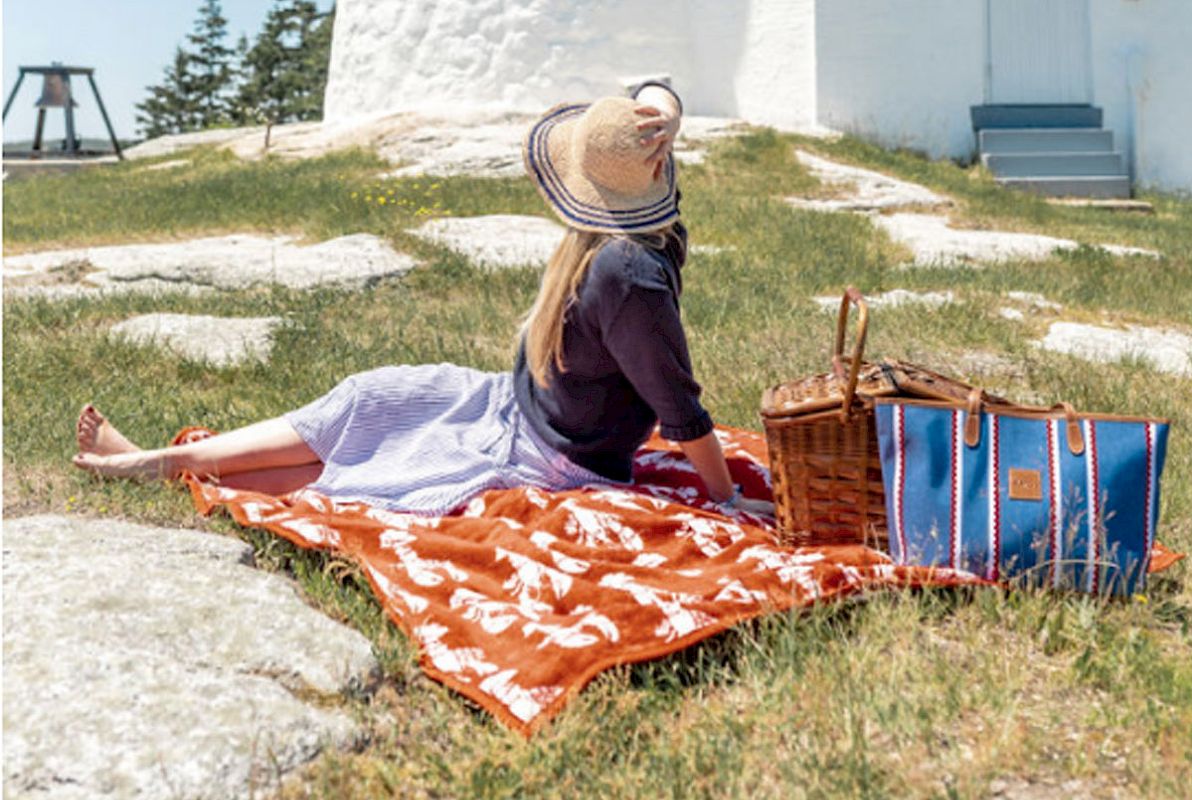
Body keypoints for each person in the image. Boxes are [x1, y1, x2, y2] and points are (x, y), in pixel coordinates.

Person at [72, 82, 773, 518]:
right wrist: (667, 119)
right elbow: (662, 89)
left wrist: (725, 500)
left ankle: (157, 468)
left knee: (363, 471)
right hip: (513, 407)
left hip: (554, 457)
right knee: (367, 399)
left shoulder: (625, 271)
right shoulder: (628, 250)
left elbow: (682, 413)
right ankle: (165, 461)